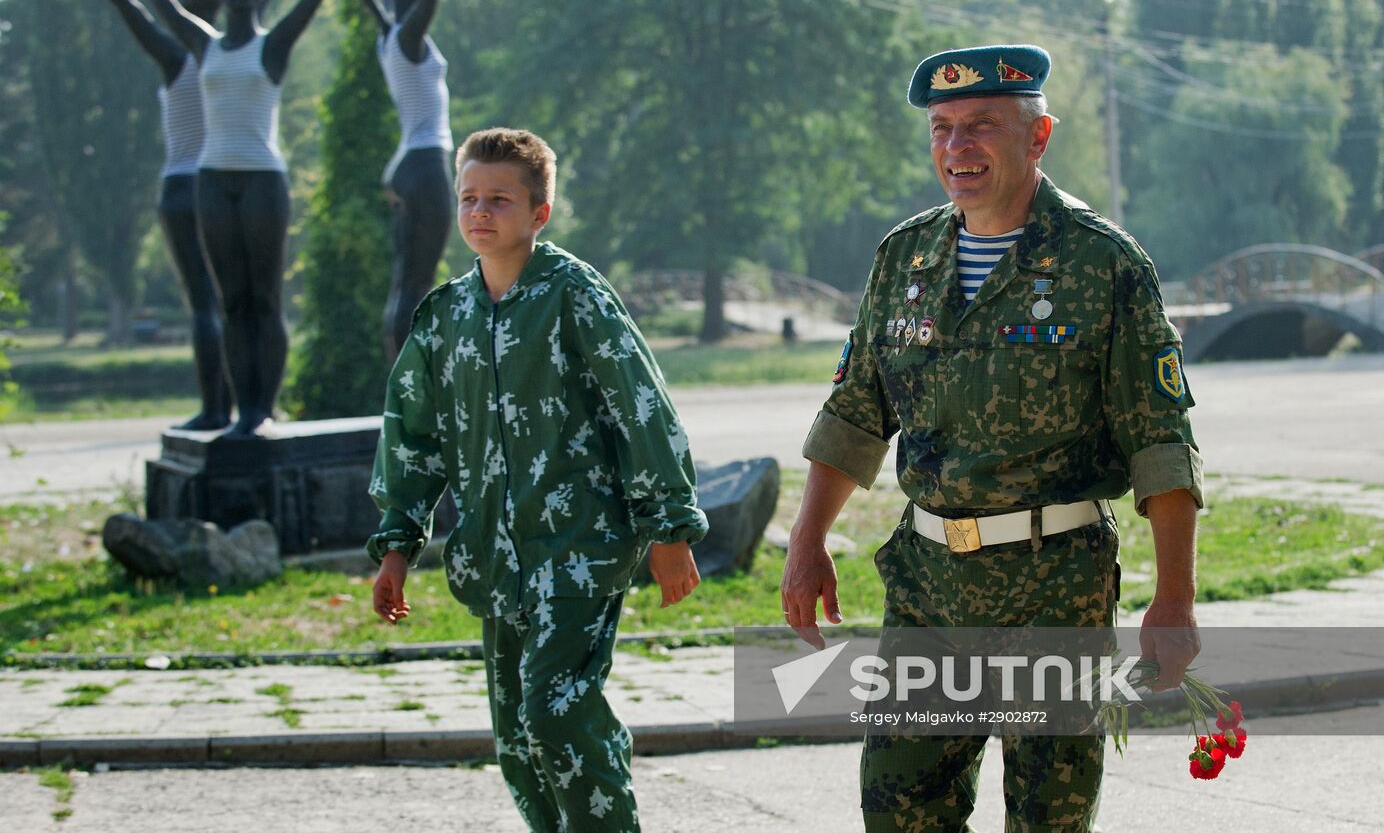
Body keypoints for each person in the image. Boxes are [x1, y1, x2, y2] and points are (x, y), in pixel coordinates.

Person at [780, 45, 1202, 832]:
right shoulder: (904, 257)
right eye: (942, 129)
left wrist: (1174, 597)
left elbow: (1160, 442)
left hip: (1054, 590)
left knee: (1049, 819)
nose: (956, 148)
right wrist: (808, 540)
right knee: (899, 809)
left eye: (981, 126)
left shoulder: (1102, 264)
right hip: (928, 585)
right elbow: (855, 411)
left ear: (1038, 137)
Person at [368, 127, 707, 832]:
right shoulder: (444, 318)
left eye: (499, 198)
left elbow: (641, 407)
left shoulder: (573, 294)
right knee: (519, 741)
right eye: (468, 199)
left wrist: (670, 530)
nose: (480, 213)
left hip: (578, 551)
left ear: (539, 212)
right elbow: (412, 437)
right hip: (495, 559)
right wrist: (398, 547)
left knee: (556, 714)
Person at [92, 0, 390, 437]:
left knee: (264, 299)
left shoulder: (272, 44)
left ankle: (260, 410)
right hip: (211, 180)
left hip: (262, 182)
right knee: (232, 303)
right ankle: (238, 413)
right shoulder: (200, 41)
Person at [64, 0, 303, 431]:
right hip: (228, 184)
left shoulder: (180, 55)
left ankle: (220, 407)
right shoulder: (224, 48)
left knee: (211, 303)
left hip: (189, 185)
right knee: (248, 301)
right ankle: (251, 404)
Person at [350, 0, 456, 363]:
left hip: (404, 166)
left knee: (404, 281)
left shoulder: (390, 32)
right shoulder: (410, 33)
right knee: (419, 283)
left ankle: (400, 381)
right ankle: (412, 384)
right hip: (426, 163)